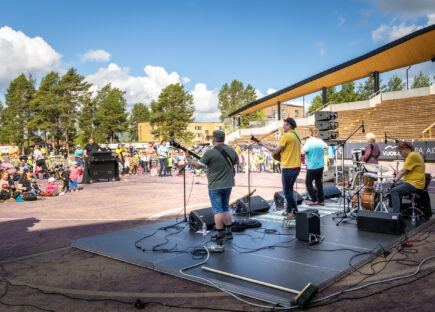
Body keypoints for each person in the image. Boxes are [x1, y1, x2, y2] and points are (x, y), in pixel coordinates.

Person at [186, 130, 238, 241]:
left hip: (215, 185)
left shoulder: (210, 152)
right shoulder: (231, 150)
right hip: (228, 184)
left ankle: (220, 233)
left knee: (218, 210)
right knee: (225, 208)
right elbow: (237, 162)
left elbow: (198, 166)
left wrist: (189, 159)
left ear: (213, 139)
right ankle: (229, 232)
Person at [258, 118, 301, 223]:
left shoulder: (286, 136)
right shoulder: (296, 136)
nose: (283, 127)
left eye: (285, 125)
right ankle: (288, 210)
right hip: (296, 166)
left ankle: (294, 211)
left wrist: (263, 144)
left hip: (288, 166)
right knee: (289, 189)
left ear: (289, 126)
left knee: (287, 191)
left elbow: (276, 150)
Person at [389, 142, 426, 214]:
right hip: (413, 181)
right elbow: (406, 170)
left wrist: (394, 180)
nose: (400, 153)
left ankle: (395, 214)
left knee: (394, 190)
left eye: (400, 151)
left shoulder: (412, 156)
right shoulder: (414, 154)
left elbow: (403, 171)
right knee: (394, 186)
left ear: (405, 149)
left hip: (415, 183)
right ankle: (397, 208)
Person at [302, 128, 328, 206]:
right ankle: (321, 200)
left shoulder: (309, 142)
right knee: (318, 183)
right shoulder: (320, 141)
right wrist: (321, 151)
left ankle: (314, 199)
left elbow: (303, 152)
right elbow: (326, 147)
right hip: (320, 165)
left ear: (310, 133)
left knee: (308, 183)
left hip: (312, 166)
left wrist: (301, 149)